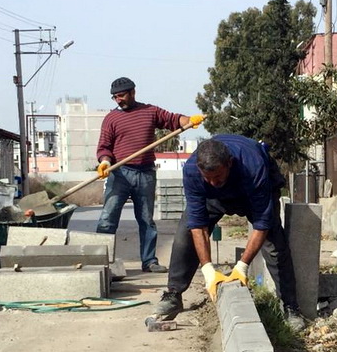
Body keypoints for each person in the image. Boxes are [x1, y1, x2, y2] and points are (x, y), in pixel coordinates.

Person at [154, 134, 303, 329]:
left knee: (275, 244)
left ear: (229, 164)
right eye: (208, 178)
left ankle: (291, 306)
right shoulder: (192, 170)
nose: (213, 182)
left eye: (217, 176)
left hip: (252, 190)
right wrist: (208, 269)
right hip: (214, 199)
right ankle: (174, 294)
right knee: (185, 234)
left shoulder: (253, 166)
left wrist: (242, 266)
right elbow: (198, 225)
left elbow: (262, 223)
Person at [95, 76, 197, 272]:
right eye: (115, 97)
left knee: (146, 220)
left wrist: (190, 120)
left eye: (122, 95)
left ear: (133, 92)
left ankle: (149, 261)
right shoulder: (111, 119)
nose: (118, 100)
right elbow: (104, 147)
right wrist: (105, 162)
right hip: (119, 174)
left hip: (146, 174)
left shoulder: (149, 112)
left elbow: (173, 120)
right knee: (107, 219)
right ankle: (101, 262)